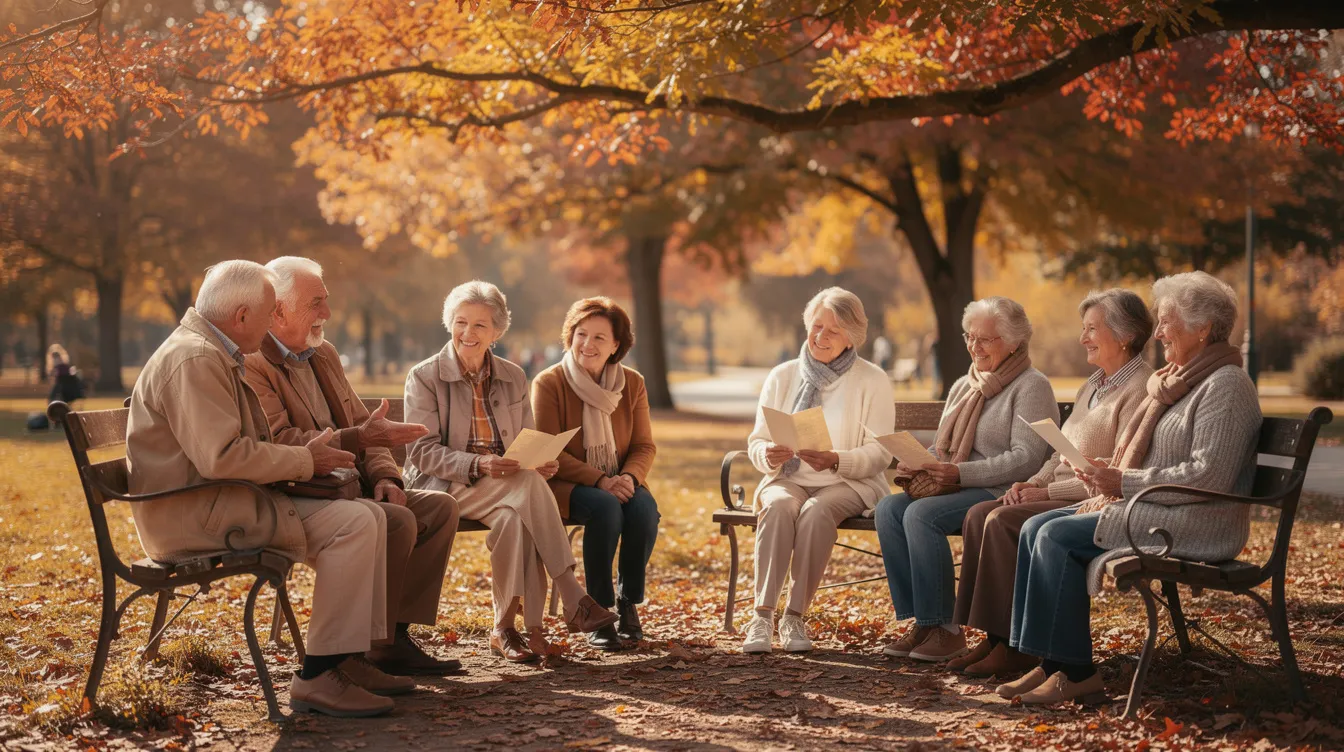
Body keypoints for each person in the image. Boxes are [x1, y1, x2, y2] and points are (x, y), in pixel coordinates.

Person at [126, 260, 406, 718]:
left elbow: (233, 453)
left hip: (220, 501)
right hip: (195, 515)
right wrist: (305, 460)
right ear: (240, 317)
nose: (274, 319)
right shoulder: (196, 358)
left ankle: (346, 661)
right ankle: (318, 676)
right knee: (356, 522)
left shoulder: (209, 351)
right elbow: (224, 457)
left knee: (370, 516)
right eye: (268, 310)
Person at [1001, 271, 1261, 704]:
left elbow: (1207, 477)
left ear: (1201, 328)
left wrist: (1125, 480)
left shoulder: (1226, 386)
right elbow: (1166, 461)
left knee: (1057, 536)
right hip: (1160, 508)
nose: (1156, 331)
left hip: (1198, 520)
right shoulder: (1178, 381)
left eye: (1166, 321)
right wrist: (1114, 469)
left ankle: (1077, 674)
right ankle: (1052, 662)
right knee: (1034, 529)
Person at [243, 257, 462, 677]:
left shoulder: (323, 353)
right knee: (395, 519)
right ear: (278, 310)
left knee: (439, 508)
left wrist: (385, 476)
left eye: (326, 302)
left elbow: (367, 427)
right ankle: (358, 652)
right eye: (316, 303)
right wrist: (358, 442)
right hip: (304, 493)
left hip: (351, 487)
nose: (326, 313)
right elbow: (278, 441)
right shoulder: (256, 364)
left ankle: (392, 638)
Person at [402, 281, 618, 664]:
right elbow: (421, 452)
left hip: (507, 488)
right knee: (528, 489)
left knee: (515, 518)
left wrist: (541, 461)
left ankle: (508, 629)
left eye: (480, 326)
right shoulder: (424, 376)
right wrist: (479, 463)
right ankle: (570, 597)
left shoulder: (513, 376)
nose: (468, 333)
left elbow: (524, 441)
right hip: (444, 486)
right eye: (461, 322)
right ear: (449, 323)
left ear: (497, 332)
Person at [949, 289, 1154, 678]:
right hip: (1057, 489)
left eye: (1092, 329)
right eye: (1084, 329)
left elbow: (1114, 470)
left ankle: (1014, 646)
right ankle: (996, 638)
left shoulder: (1139, 387)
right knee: (979, 515)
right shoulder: (1093, 385)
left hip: (1089, 497)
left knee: (1001, 520)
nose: (1083, 338)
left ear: (1124, 334)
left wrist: (1047, 492)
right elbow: (1061, 454)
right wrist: (1032, 482)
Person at [875, 296, 1057, 663]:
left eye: (985, 339)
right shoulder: (966, 384)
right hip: (953, 484)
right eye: (969, 337)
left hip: (998, 489)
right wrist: (920, 464)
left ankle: (947, 630)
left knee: (920, 515)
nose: (974, 346)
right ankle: (925, 623)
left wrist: (959, 471)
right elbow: (945, 448)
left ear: (1014, 342)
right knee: (889, 509)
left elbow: (1028, 458)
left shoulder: (1031, 386)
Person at [741, 287, 894, 654]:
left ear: (852, 337)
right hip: (788, 477)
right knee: (778, 506)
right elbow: (756, 440)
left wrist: (838, 459)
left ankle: (794, 616)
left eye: (833, 330)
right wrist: (769, 455)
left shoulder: (872, 380)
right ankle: (762, 616)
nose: (820, 336)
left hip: (846, 481)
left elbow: (881, 451)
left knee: (816, 511)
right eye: (817, 326)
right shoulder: (783, 375)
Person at [531, 297, 659, 650]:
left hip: (621, 479)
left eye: (600, 338)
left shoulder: (632, 383)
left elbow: (644, 446)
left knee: (645, 510)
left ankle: (627, 601)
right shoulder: (550, 382)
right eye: (581, 334)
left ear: (616, 345)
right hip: (564, 482)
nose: (588, 344)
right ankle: (598, 610)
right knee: (605, 507)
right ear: (570, 336)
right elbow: (549, 448)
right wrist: (601, 480)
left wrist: (629, 479)